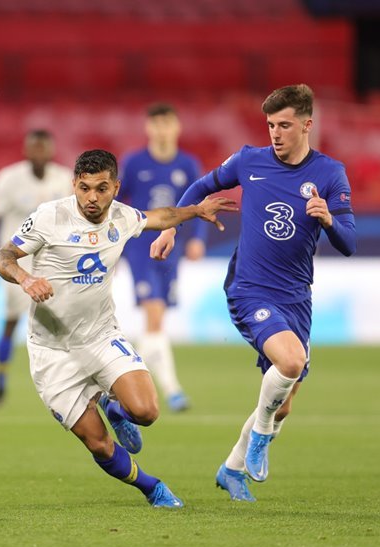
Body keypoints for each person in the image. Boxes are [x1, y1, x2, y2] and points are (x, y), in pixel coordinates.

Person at [0, 149, 236, 508]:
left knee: (147, 412)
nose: (92, 197)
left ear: (116, 188)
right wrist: (26, 279)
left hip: (101, 336)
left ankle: (115, 407)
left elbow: (160, 216)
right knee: (99, 443)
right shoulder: (49, 217)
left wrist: (196, 211)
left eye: (101, 189)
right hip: (52, 350)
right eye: (84, 188)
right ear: (74, 184)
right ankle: (152, 487)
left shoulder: (122, 217)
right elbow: (2, 257)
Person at [151, 84, 357, 502]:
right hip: (249, 288)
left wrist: (329, 221)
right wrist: (172, 227)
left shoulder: (330, 173)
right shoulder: (249, 160)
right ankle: (260, 438)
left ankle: (231, 469)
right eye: (270, 125)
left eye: (284, 125)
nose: (275, 133)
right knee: (291, 361)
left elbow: (349, 242)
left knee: (284, 402)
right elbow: (199, 188)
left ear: (307, 125)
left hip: (296, 297)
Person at [119, 102, 205, 412]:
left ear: (176, 127)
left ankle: (122, 387)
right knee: (154, 315)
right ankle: (172, 390)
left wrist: (197, 238)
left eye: (167, 123)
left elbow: (199, 204)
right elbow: (117, 203)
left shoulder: (188, 165)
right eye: (156, 124)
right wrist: (114, 243)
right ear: (148, 128)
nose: (162, 130)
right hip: (141, 250)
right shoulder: (133, 163)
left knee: (156, 322)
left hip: (172, 251)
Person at [0, 130, 74, 407]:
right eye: (35, 148)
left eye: (44, 148)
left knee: (62, 325)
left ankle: (68, 383)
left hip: (53, 263)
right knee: (12, 322)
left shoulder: (64, 179)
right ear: (27, 150)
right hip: (17, 264)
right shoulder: (9, 179)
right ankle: (0, 378)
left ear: (51, 150)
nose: (39, 153)